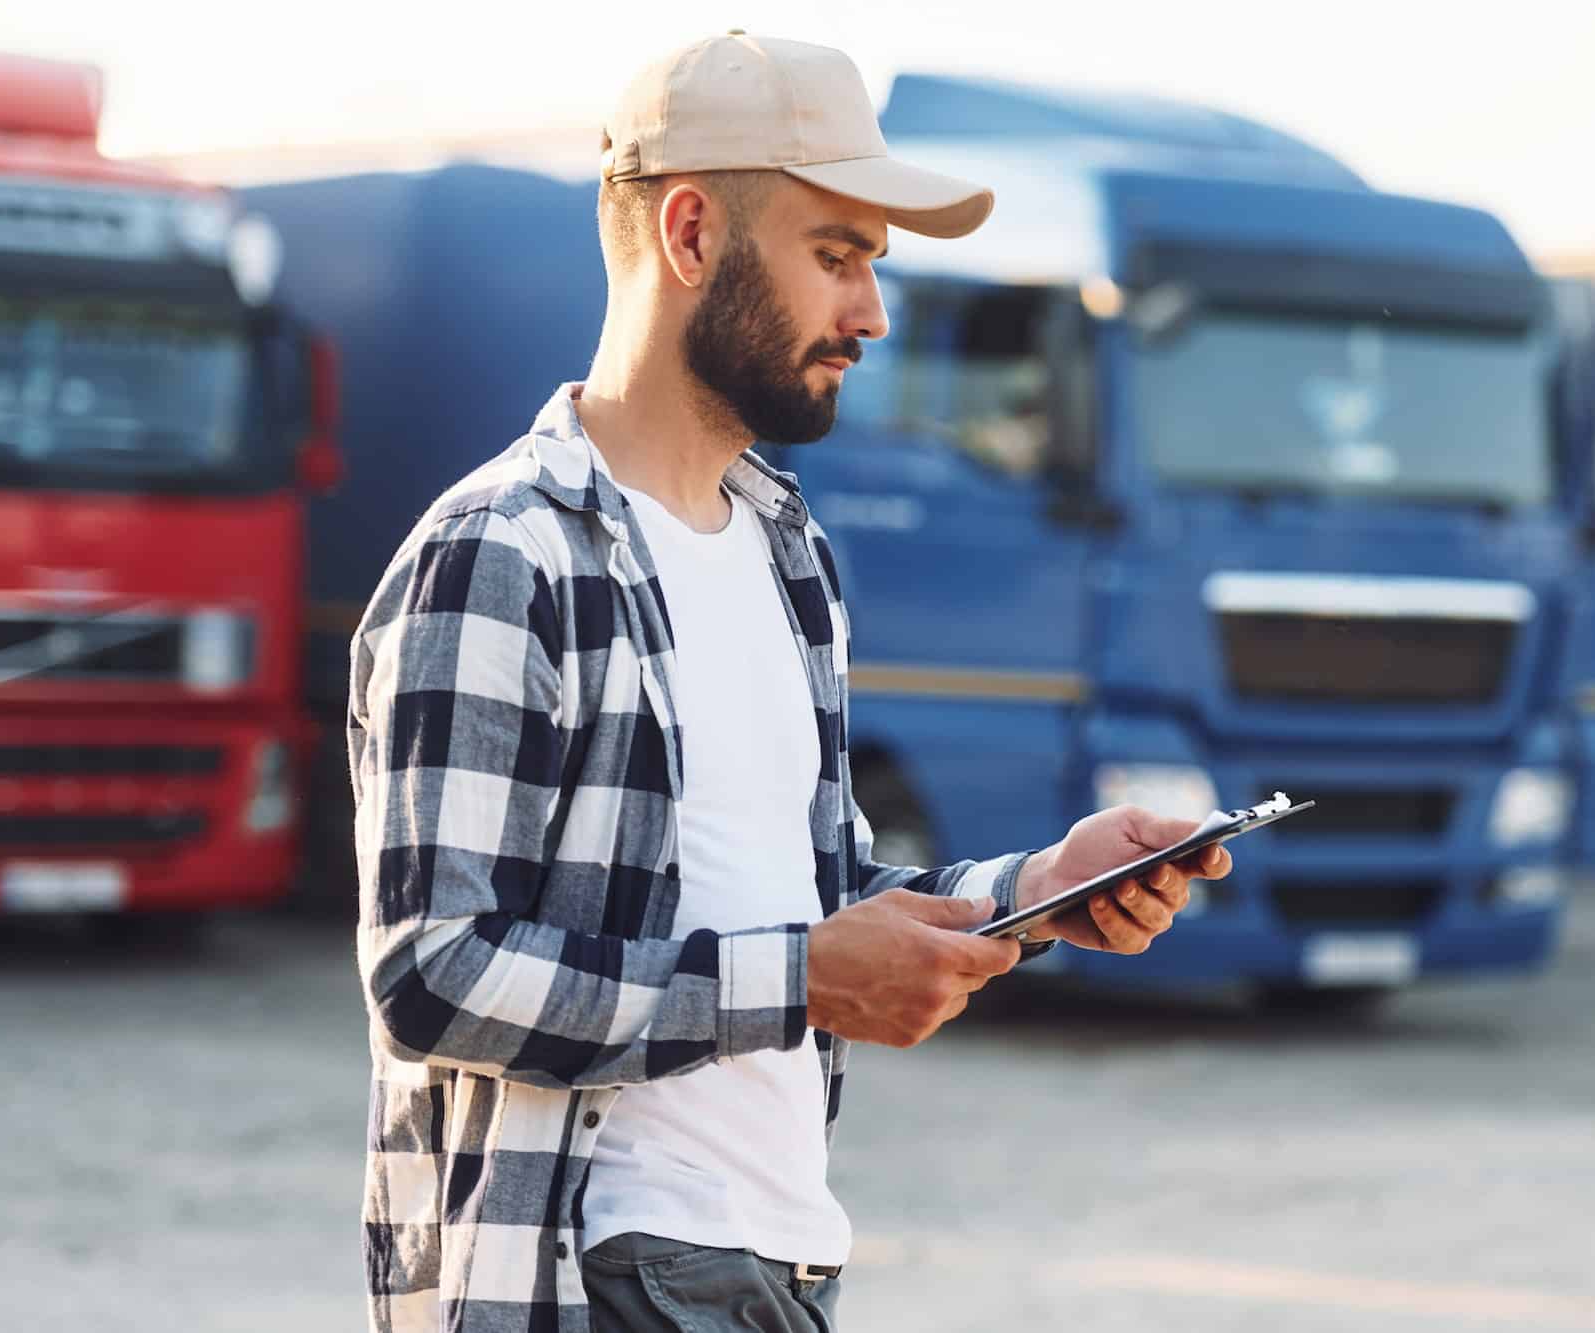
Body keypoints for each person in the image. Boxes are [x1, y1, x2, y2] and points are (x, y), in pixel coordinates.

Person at [349, 31, 1233, 1333]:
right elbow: (431, 972)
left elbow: (813, 904)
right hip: (595, 1279)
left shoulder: (784, 546)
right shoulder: (502, 551)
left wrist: (1038, 890)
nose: (872, 313)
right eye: (838, 255)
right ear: (692, 231)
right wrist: (804, 981)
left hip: (776, 1267)